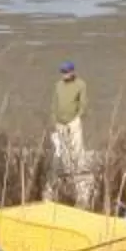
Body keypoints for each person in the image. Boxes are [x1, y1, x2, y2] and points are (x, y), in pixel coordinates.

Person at [49, 60, 94, 201]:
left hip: (74, 119)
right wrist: (54, 118)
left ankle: (79, 169)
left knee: (77, 144)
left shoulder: (81, 84)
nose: (65, 74)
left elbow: (83, 103)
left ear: (73, 71)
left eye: (67, 71)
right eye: (63, 71)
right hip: (60, 120)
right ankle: (67, 169)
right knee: (63, 145)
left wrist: (79, 116)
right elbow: (54, 103)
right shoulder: (58, 86)